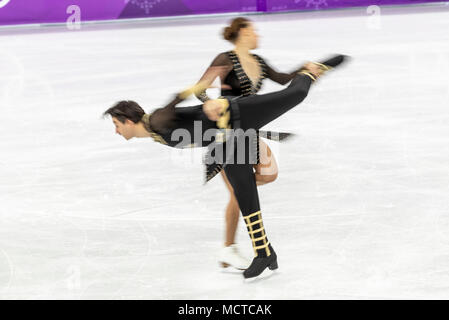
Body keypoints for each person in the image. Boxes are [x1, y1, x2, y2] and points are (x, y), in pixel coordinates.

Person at [103, 54, 347, 278]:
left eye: (116, 124)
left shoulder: (155, 120)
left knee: (293, 95)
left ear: (129, 120)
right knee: (244, 191)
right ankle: (265, 253)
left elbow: (174, 103)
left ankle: (312, 70)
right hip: (227, 140)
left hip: (236, 115)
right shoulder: (154, 133)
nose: (115, 130)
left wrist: (203, 94)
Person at [194, 17, 324, 269]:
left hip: (250, 131)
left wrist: (305, 69)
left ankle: (230, 247)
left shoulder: (259, 62)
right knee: (237, 193)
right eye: (254, 31)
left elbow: (284, 79)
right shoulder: (224, 59)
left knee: (265, 177)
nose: (258, 35)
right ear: (242, 33)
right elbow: (200, 89)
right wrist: (210, 104)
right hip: (227, 134)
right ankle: (231, 249)